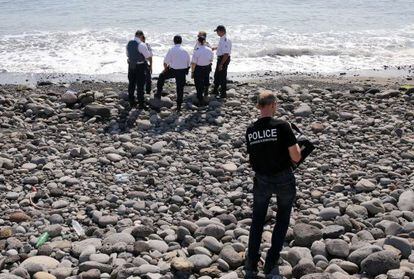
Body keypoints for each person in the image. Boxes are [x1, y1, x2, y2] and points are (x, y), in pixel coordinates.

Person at [244, 92, 301, 278]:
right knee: (283, 218)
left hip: (261, 178)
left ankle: (251, 261)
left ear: (259, 106)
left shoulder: (251, 130)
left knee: (258, 219)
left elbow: (252, 158)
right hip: (283, 177)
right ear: (273, 105)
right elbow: (296, 157)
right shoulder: (283, 126)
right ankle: (271, 260)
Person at [155, 35, 190, 111]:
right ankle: (179, 106)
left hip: (173, 70)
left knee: (161, 76)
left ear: (174, 41)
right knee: (180, 89)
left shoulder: (171, 49)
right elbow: (188, 63)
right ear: (181, 41)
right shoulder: (185, 50)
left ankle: (158, 93)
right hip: (182, 71)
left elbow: (165, 62)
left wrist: (165, 69)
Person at [126, 30, 152, 109]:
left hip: (131, 65)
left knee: (131, 83)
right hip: (140, 66)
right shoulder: (141, 44)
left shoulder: (129, 44)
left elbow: (127, 54)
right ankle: (141, 103)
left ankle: (131, 101)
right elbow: (147, 56)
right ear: (141, 36)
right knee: (140, 85)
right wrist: (150, 64)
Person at [191, 36, 213, 106]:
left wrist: (192, 72)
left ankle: (200, 97)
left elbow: (193, 63)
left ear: (198, 42)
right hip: (207, 67)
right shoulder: (209, 50)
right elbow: (211, 60)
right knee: (206, 79)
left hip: (199, 68)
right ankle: (205, 94)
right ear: (204, 41)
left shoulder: (197, 51)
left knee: (198, 83)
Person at [212, 25, 232, 98]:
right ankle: (215, 90)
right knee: (217, 75)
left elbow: (226, 54)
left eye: (217, 31)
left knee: (222, 76)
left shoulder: (225, 40)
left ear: (222, 31)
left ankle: (223, 93)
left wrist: (221, 64)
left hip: (223, 59)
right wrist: (215, 48)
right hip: (221, 58)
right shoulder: (222, 39)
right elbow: (222, 48)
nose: (217, 33)